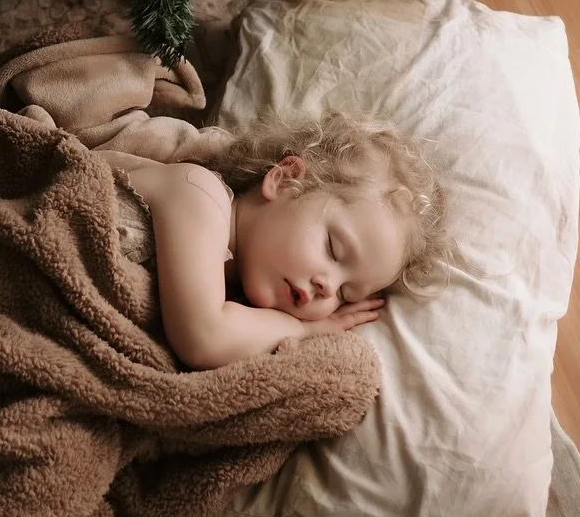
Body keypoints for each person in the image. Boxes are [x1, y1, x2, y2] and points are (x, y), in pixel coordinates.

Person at [110, 112, 450, 370]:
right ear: (285, 181)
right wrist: (300, 330)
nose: (327, 287)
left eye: (346, 294)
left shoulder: (233, 290)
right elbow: (203, 338)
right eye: (334, 248)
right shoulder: (199, 194)